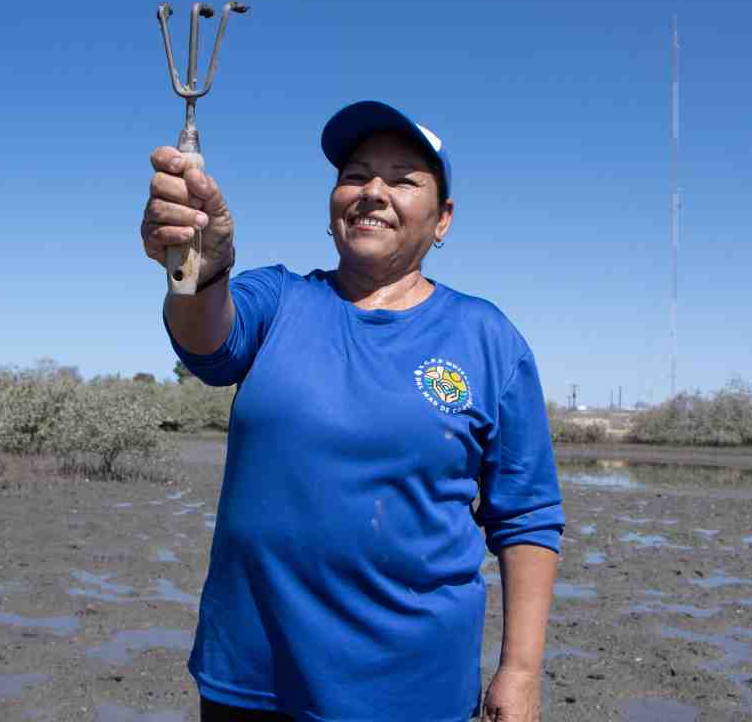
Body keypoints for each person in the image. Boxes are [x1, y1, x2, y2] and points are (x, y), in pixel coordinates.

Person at [141, 100, 565, 722]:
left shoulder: (487, 338)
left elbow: (526, 516)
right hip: (252, 678)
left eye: (403, 179)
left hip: (413, 690)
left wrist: (521, 671)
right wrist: (204, 268)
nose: (372, 192)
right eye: (355, 175)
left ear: (443, 219)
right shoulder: (277, 297)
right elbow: (207, 342)